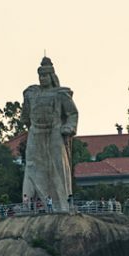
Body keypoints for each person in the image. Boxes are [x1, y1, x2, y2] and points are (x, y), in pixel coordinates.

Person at [21, 57, 79, 212]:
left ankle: (62, 205)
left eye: (45, 76)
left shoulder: (60, 94)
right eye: (40, 76)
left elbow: (72, 113)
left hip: (54, 132)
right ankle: (29, 204)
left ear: (52, 76)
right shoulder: (32, 93)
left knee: (57, 168)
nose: (42, 79)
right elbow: (25, 115)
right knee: (32, 166)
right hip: (36, 133)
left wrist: (69, 127)